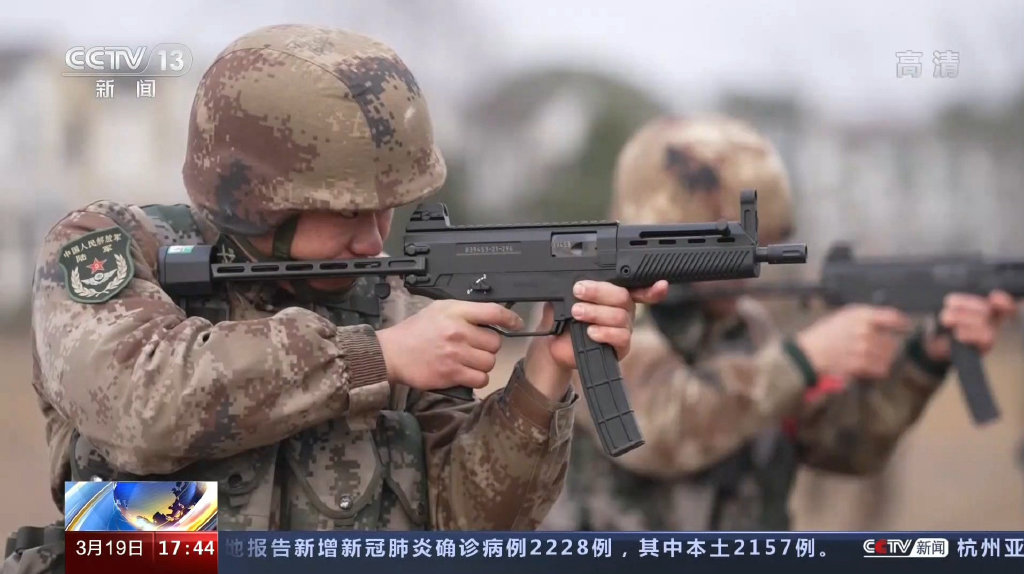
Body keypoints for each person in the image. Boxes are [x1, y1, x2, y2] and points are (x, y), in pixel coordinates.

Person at [19, 22, 670, 544]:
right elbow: (140, 407)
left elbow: (466, 523)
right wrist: (372, 359)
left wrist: (545, 377)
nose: (374, 239)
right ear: (259, 202)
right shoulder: (113, 249)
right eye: (351, 213)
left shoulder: (394, 305)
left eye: (388, 210)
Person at [541, 115, 1017, 531]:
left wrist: (924, 359)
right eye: (726, 245)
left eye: (760, 243)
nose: (749, 269)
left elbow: (845, 447)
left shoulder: (746, 328)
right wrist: (803, 360)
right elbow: (661, 430)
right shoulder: (595, 316)